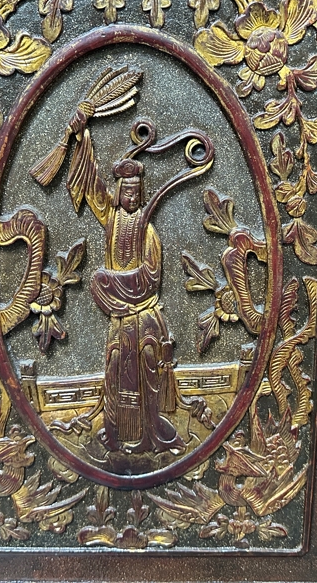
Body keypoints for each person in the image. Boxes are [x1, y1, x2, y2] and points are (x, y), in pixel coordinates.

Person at [66, 124, 185, 455]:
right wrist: (82, 139)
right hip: (119, 320)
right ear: (119, 193)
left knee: (146, 373)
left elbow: (150, 277)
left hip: (143, 318)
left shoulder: (148, 233)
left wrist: (112, 281)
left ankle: (150, 436)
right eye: (125, 193)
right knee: (115, 371)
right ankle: (115, 436)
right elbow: (91, 186)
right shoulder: (112, 220)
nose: (130, 199)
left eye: (136, 194)